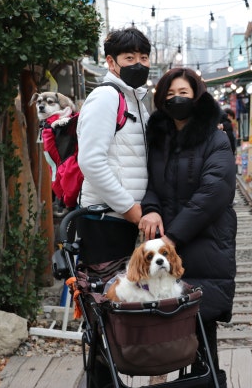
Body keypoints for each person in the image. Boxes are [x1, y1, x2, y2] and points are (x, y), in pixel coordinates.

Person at [140, 68, 237, 387]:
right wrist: (151, 210)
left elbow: (214, 192)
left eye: (183, 93)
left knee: (202, 320)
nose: (176, 99)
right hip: (167, 245)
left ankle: (209, 380)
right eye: (169, 95)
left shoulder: (215, 136)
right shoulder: (158, 138)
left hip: (204, 241)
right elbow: (150, 183)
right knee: (171, 322)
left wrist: (172, 237)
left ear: (197, 96)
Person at [76, 26, 152, 267]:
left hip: (125, 218)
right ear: (111, 62)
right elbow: (90, 161)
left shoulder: (136, 101)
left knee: (127, 297)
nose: (138, 64)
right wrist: (127, 206)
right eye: (129, 58)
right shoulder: (106, 97)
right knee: (108, 296)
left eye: (143, 58)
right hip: (105, 219)